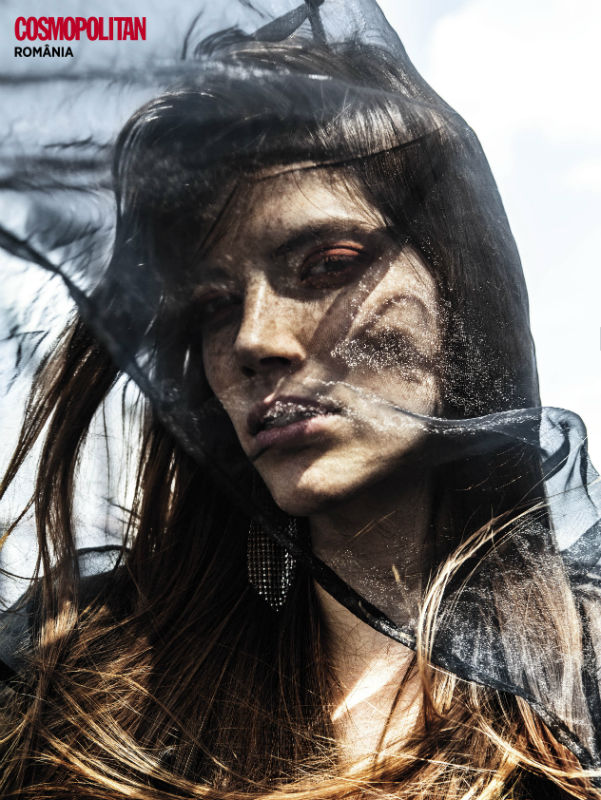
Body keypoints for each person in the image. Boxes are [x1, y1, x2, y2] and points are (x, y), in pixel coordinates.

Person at [0, 2, 600, 798]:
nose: (254, 340)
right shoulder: (78, 668)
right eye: (214, 306)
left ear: (459, 290)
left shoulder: (581, 681)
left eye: (327, 266)